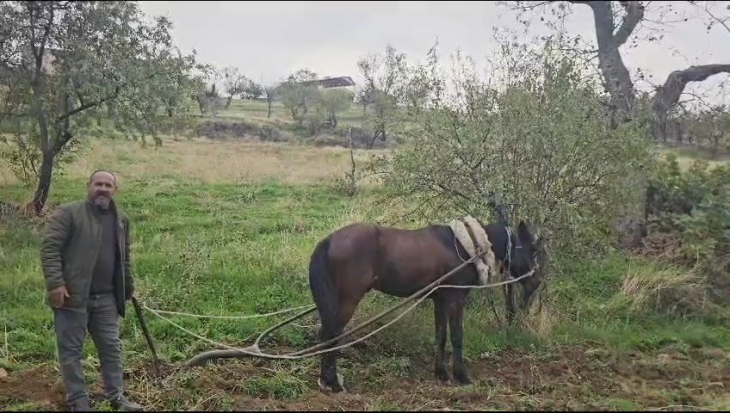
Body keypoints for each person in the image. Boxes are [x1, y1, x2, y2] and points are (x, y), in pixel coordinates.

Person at [40, 170, 143, 412]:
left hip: (107, 298)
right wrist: (56, 283)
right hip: (73, 297)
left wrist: (127, 287)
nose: (103, 188)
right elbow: (50, 249)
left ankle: (116, 397)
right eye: (98, 184)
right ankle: (78, 401)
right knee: (71, 351)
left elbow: (123, 257)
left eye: (108, 185)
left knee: (111, 348)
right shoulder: (69, 213)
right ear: (89, 186)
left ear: (115, 190)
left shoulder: (121, 219)